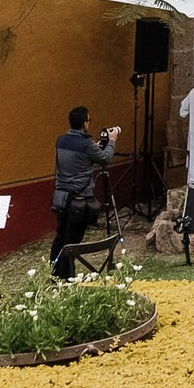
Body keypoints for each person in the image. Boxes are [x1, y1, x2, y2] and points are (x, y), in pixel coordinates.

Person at [51, 107, 119, 277]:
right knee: (73, 240)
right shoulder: (86, 145)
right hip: (79, 200)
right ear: (84, 123)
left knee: (61, 235)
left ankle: (53, 272)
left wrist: (93, 148)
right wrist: (112, 141)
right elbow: (105, 158)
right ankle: (66, 276)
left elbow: (75, 160)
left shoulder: (61, 141)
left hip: (61, 197)